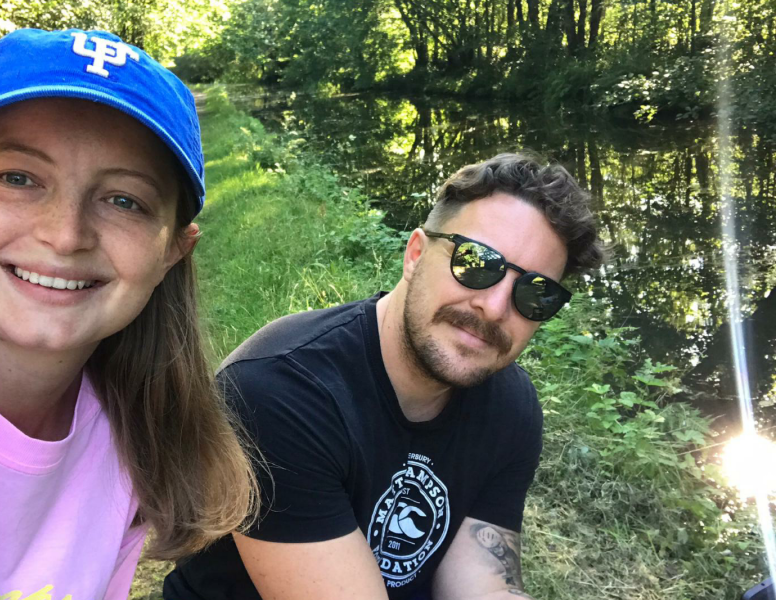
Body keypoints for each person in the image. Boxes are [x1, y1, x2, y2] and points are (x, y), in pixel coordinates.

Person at [0, 28, 256, 599]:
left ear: (174, 251)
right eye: (18, 178)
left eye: (124, 200)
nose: (64, 234)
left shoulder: (136, 436)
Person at [163, 153, 604, 600]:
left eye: (535, 293)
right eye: (476, 263)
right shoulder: (278, 392)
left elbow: (483, 578)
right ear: (415, 255)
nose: (493, 308)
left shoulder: (512, 407)